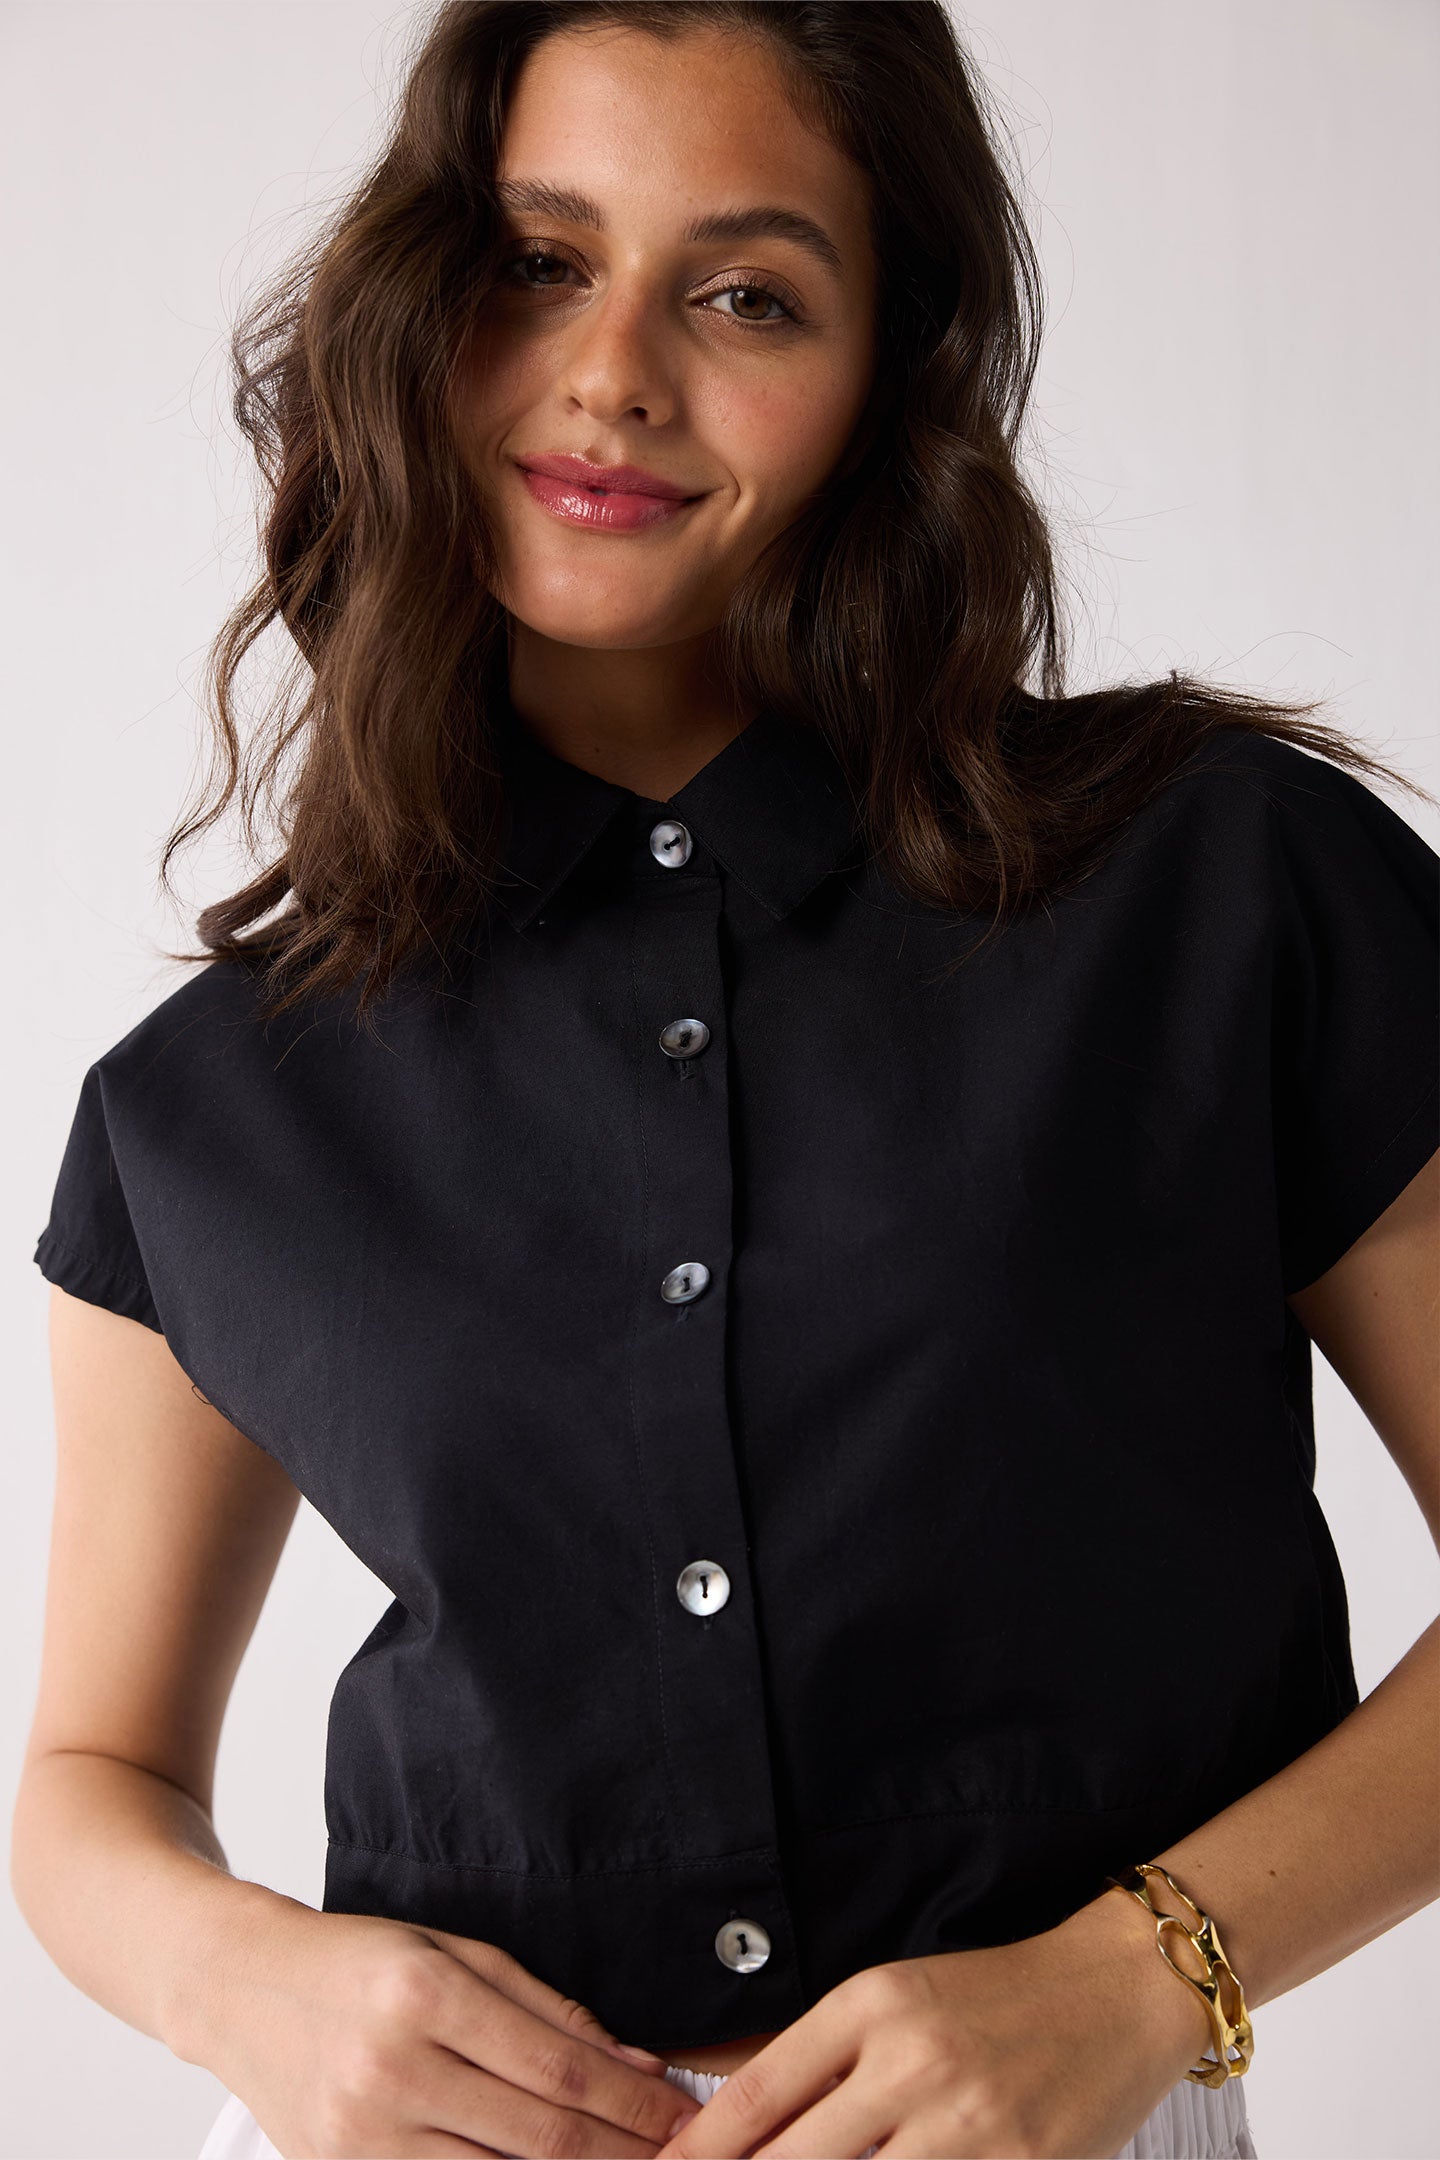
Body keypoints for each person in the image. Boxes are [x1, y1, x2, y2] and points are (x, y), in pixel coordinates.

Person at [13, 4, 1438, 2158]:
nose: (614, 378)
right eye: (536, 261)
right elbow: (89, 1784)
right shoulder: (213, 1098)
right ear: (417, 308)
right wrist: (260, 1994)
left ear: (892, 376)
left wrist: (1143, 1977)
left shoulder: (1228, 893)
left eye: (747, 294)